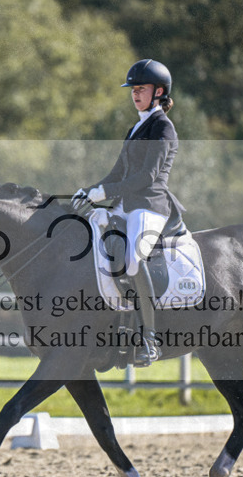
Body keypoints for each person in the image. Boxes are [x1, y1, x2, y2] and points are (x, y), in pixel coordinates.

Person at [75, 59, 185, 367]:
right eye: (133, 89)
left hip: (150, 206)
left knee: (134, 260)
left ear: (159, 92)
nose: (135, 94)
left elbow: (147, 177)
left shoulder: (163, 127)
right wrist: (89, 191)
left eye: (142, 89)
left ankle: (150, 339)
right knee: (91, 239)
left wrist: (106, 193)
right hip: (125, 205)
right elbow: (117, 173)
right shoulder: (136, 127)